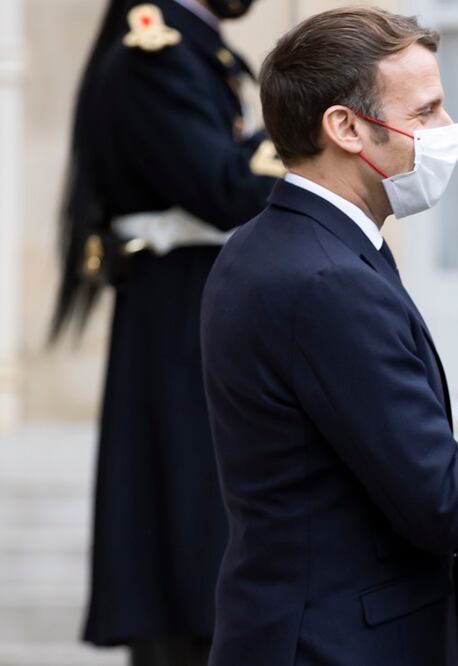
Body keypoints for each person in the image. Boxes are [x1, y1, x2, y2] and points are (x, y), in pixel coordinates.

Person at [199, 8, 458, 666]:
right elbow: (441, 504)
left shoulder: (275, 243)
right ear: (344, 127)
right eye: (425, 112)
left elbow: (368, 468)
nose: (445, 129)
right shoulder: (328, 278)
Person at [51, 1, 282, 664]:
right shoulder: (156, 52)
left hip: (190, 306)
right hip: (177, 317)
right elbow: (223, 187)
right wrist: (305, 130)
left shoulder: (189, 45)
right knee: (185, 529)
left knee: (202, 524)